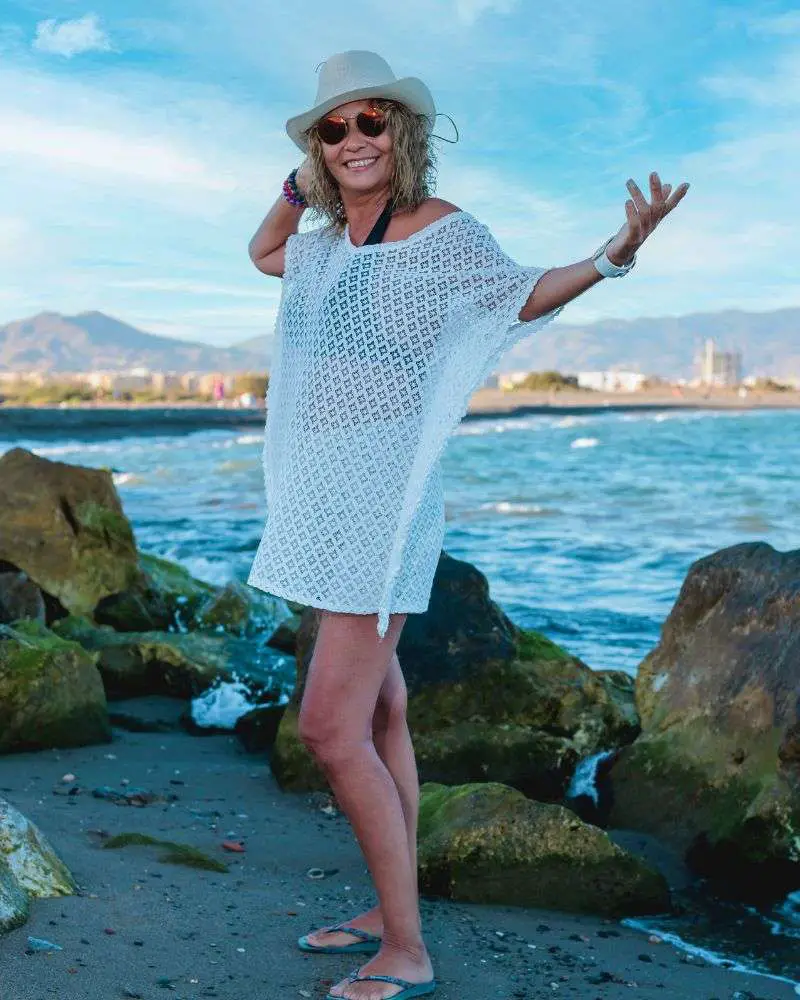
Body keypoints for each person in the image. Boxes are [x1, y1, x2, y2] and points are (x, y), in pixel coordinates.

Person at [246, 50, 689, 1000]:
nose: (356, 140)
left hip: (384, 494)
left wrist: (617, 251)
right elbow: (262, 253)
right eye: (335, 128)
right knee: (382, 713)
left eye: (373, 123)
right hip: (320, 497)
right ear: (319, 149)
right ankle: (387, 908)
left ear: (402, 135)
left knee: (329, 728)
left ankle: (406, 948)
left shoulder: (438, 231)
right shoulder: (320, 243)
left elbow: (519, 296)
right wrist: (296, 183)